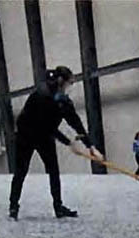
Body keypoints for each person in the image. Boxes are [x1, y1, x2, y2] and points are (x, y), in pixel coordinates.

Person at [8, 65, 103, 220]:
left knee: (53, 171)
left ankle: (58, 207)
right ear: (60, 81)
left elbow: (75, 123)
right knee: (21, 171)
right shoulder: (41, 95)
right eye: (69, 83)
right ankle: (13, 207)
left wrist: (91, 146)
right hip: (26, 135)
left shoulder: (63, 101)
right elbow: (46, 126)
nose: (70, 87)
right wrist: (69, 143)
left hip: (45, 137)